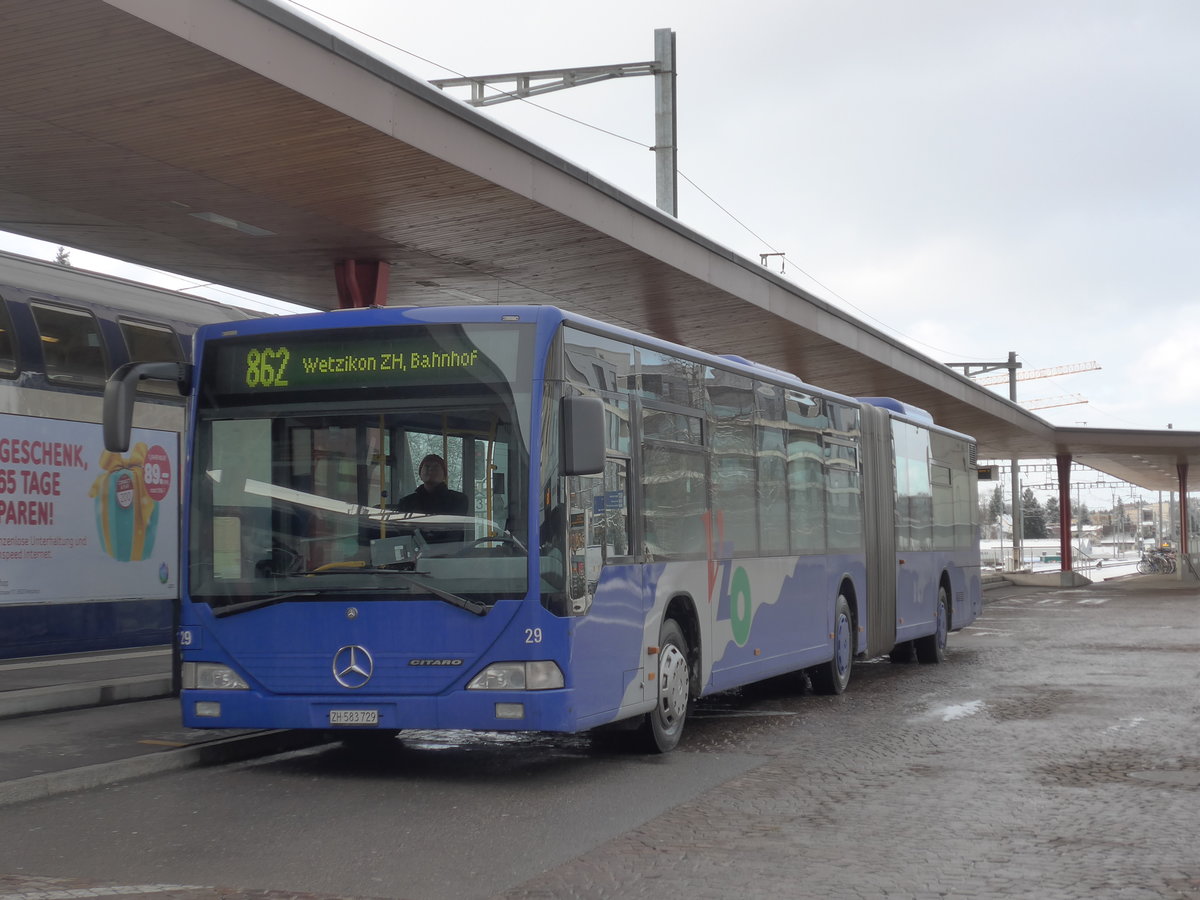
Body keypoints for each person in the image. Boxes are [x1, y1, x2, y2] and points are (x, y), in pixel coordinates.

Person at [395, 454, 469, 516]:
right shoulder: (406, 502)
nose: (430, 469)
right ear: (420, 474)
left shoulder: (458, 500)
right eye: (427, 466)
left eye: (436, 467)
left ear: (444, 475)